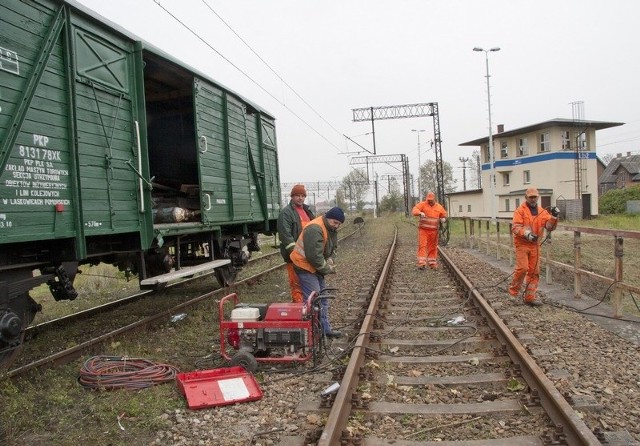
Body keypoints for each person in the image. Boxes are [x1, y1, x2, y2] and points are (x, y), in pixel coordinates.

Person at [290, 207, 344, 338]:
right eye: (335, 222)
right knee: (314, 301)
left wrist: (330, 259)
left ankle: (324, 330)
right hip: (304, 267)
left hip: (314, 267)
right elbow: (314, 256)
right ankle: (311, 334)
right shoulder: (315, 229)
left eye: (339, 224)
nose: (336, 226)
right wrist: (328, 269)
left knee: (322, 298)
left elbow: (331, 247)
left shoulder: (329, 227)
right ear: (328, 217)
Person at [509, 187, 560, 306]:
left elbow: (549, 227)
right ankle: (513, 293)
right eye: (530, 197)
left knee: (534, 271)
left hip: (535, 245)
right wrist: (526, 234)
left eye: (535, 197)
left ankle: (530, 297)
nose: (533, 199)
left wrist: (554, 216)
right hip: (522, 244)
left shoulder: (542, 212)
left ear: (538, 197)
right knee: (522, 269)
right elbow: (515, 227)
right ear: (526, 198)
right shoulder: (520, 211)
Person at [277, 184, 315, 303]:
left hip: (308, 255)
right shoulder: (286, 213)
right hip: (295, 257)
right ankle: (299, 310)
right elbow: (285, 235)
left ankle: (309, 310)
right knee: (297, 285)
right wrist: (296, 254)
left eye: (303, 196)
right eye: (297, 195)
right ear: (292, 197)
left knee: (309, 284)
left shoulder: (307, 211)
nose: (300, 198)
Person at [411, 191, 447, 269]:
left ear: (434, 199)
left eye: (431, 199)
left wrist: (443, 218)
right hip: (423, 230)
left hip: (434, 231)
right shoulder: (422, 204)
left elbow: (443, 214)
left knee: (433, 246)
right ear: (426, 199)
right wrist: (419, 213)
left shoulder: (439, 207)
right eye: (428, 199)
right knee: (422, 245)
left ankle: (432, 263)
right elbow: (414, 210)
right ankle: (422, 263)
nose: (429, 201)